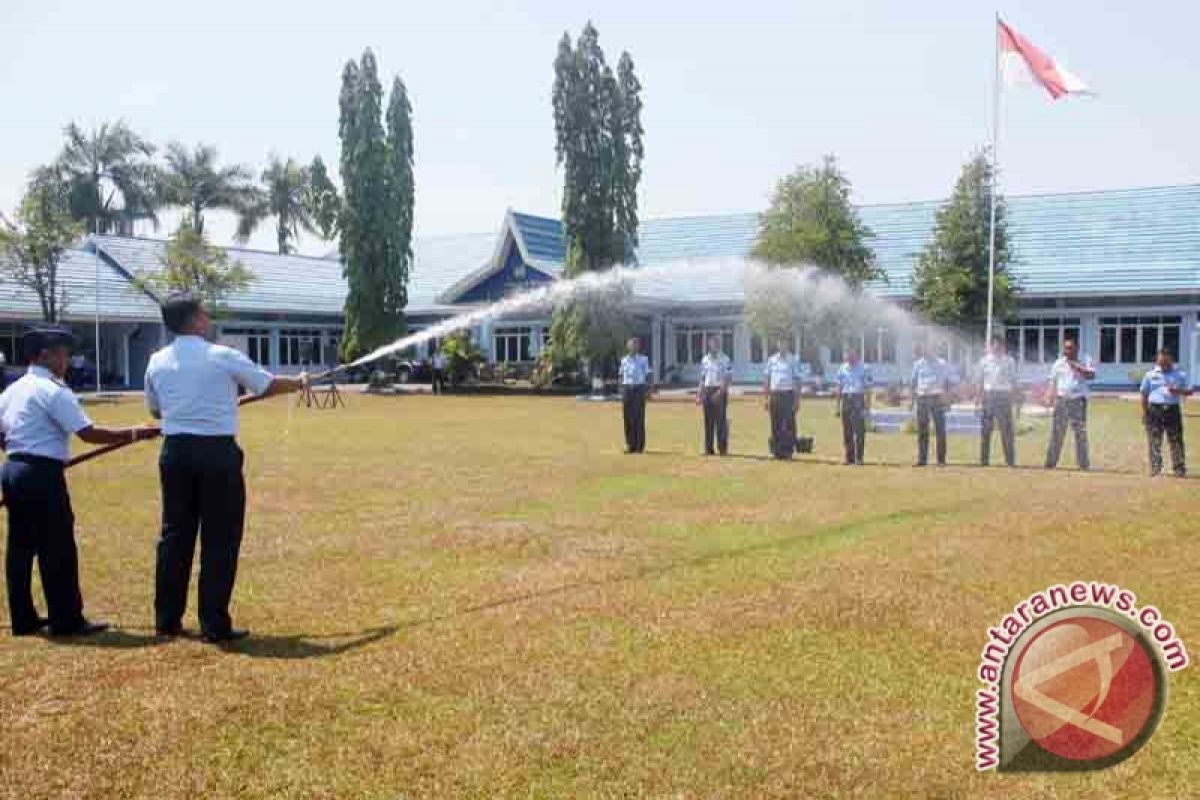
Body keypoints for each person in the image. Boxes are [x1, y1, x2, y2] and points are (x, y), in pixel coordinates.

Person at [144, 292, 307, 642]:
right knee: (220, 537)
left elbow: (156, 411)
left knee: (175, 535)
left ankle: (167, 619)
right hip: (217, 453)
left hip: (175, 453)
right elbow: (266, 384)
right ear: (195, 319)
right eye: (204, 313)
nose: (209, 318)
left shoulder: (156, 361)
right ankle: (214, 624)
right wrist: (299, 382)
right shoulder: (222, 355)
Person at [1, 325, 159, 637]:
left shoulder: (11, 390)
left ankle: (23, 619)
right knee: (56, 545)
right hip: (41, 474)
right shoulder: (53, 391)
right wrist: (136, 433)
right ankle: (66, 619)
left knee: (20, 546)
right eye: (63, 353)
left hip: (13, 469)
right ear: (45, 355)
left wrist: (20, 448)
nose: (67, 360)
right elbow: (89, 434)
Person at [1140, 348, 1192, 477]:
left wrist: (1178, 391)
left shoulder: (1180, 375)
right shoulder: (1150, 375)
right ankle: (1155, 467)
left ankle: (1179, 468)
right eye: (1160, 361)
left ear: (1171, 360)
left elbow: (1189, 392)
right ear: (1157, 360)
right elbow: (1144, 395)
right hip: (1154, 410)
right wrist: (1145, 413)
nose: (1163, 364)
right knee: (1154, 440)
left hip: (1172, 410)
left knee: (1176, 439)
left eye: (1166, 362)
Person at [1044, 338, 1095, 470]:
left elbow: (1091, 375)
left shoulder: (1085, 359)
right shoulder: (1058, 364)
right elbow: (1052, 381)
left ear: (1076, 348)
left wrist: (1076, 366)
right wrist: (1049, 395)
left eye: (1070, 348)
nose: (1067, 351)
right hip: (1062, 401)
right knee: (1057, 432)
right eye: (1065, 348)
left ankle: (1083, 464)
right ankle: (1050, 463)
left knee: (1080, 433)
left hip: (1078, 400)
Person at [977, 336, 1018, 467]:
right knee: (986, 430)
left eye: (999, 345)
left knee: (1006, 431)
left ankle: (1010, 461)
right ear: (991, 346)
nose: (997, 347)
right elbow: (980, 380)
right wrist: (979, 398)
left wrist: (1015, 399)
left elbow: (1013, 380)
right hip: (989, 396)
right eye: (994, 345)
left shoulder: (1009, 361)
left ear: (1003, 346)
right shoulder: (984, 361)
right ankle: (984, 461)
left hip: (1004, 396)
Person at [910, 342, 951, 467]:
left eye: (929, 349)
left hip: (937, 398)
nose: (926, 351)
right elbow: (913, 383)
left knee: (940, 430)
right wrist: (912, 401)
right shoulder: (918, 364)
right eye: (924, 349)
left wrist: (947, 399)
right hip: (922, 398)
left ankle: (941, 460)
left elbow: (947, 383)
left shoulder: (942, 364)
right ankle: (922, 460)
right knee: (923, 430)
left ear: (934, 349)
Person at [762, 337, 802, 460]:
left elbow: (797, 380)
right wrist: (766, 398)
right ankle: (777, 451)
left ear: (788, 344)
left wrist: (797, 400)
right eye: (780, 343)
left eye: (784, 343)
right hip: (775, 395)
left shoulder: (793, 360)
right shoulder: (772, 360)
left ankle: (788, 451)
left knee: (789, 424)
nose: (782, 345)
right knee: (775, 423)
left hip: (788, 395)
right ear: (777, 344)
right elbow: (767, 380)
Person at [834, 349, 873, 465]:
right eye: (847, 354)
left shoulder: (864, 368)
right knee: (847, 430)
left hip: (858, 399)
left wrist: (867, 406)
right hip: (846, 399)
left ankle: (859, 458)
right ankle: (849, 457)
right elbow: (838, 387)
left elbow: (868, 389)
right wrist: (837, 406)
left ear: (856, 354)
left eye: (850, 354)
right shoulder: (842, 368)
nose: (848, 356)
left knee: (859, 430)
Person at [696, 335, 732, 455]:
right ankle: (708, 449)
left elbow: (727, 378)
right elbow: (702, 378)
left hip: (720, 390)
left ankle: (722, 449)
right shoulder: (705, 359)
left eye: (716, 343)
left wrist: (720, 392)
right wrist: (699, 394)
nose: (714, 345)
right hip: (707, 390)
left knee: (721, 421)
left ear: (719, 345)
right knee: (708, 421)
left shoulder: (725, 359)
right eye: (712, 343)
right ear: (709, 345)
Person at [618, 337, 650, 454]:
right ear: (628, 347)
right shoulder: (624, 360)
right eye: (631, 345)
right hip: (627, 390)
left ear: (638, 347)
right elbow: (621, 375)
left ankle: (639, 446)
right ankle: (630, 445)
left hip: (639, 389)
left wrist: (647, 391)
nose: (633, 347)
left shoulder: (643, 359)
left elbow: (647, 375)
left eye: (636, 345)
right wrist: (621, 389)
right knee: (627, 418)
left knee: (639, 418)